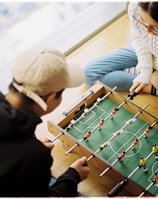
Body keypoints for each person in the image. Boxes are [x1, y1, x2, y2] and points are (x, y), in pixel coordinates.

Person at [0, 47, 90, 197]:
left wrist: (29, 147)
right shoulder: (35, 157)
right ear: (49, 98)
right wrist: (72, 176)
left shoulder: (32, 154)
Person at [83, 2, 158, 96]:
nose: (147, 30)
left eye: (154, 27)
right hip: (141, 48)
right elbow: (140, 38)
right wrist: (146, 71)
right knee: (88, 73)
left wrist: (153, 73)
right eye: (142, 19)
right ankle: (148, 84)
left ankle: (148, 86)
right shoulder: (135, 7)